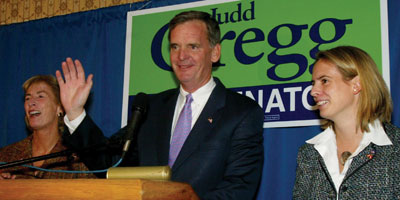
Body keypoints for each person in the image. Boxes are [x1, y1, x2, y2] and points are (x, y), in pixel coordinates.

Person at [57, 11, 264, 199]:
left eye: (193, 46)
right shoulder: (151, 108)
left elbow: (240, 189)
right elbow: (112, 165)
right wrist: (75, 113)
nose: (181, 56)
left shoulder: (241, 112)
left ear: (215, 52)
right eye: (175, 47)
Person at [292, 46, 400, 199]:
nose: (313, 91)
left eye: (324, 81)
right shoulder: (308, 153)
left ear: (356, 85)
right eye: (313, 83)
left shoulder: (396, 150)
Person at [0, 75, 96, 179]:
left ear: (59, 107)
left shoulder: (78, 158)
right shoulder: (7, 155)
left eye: (40, 96)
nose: (31, 103)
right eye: (27, 98)